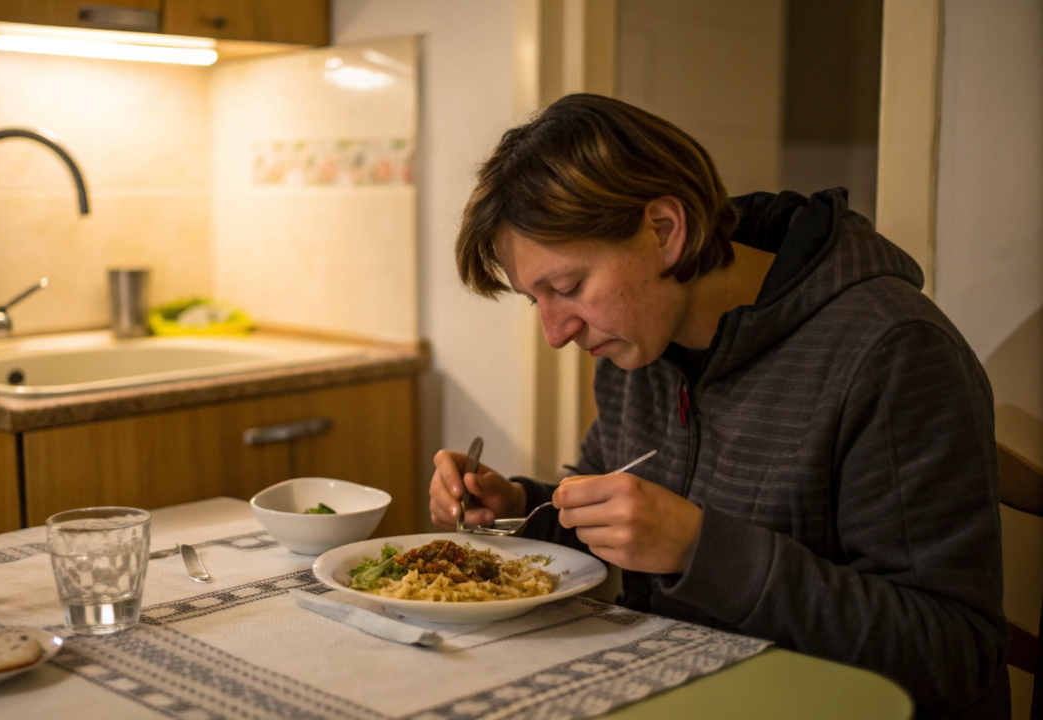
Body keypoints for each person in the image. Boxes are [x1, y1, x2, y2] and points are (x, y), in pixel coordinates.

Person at [431, 93, 1008, 719]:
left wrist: (702, 550)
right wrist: (521, 506)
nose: (555, 332)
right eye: (534, 299)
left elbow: (957, 655)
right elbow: (619, 517)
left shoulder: (893, 352)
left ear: (664, 232)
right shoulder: (636, 346)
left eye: (568, 287)